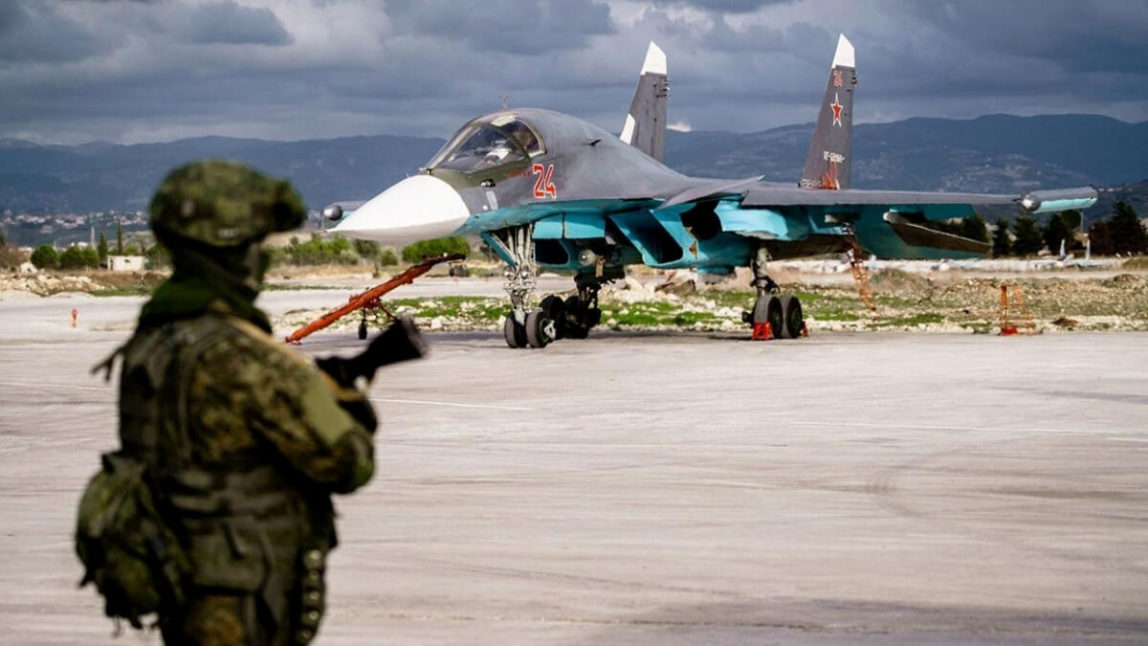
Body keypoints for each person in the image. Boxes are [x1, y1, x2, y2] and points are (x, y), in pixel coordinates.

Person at [115, 161, 377, 644]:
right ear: (232, 253)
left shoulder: (150, 342)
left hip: (181, 580)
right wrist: (346, 401)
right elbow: (348, 463)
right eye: (255, 246)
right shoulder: (245, 358)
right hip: (245, 600)